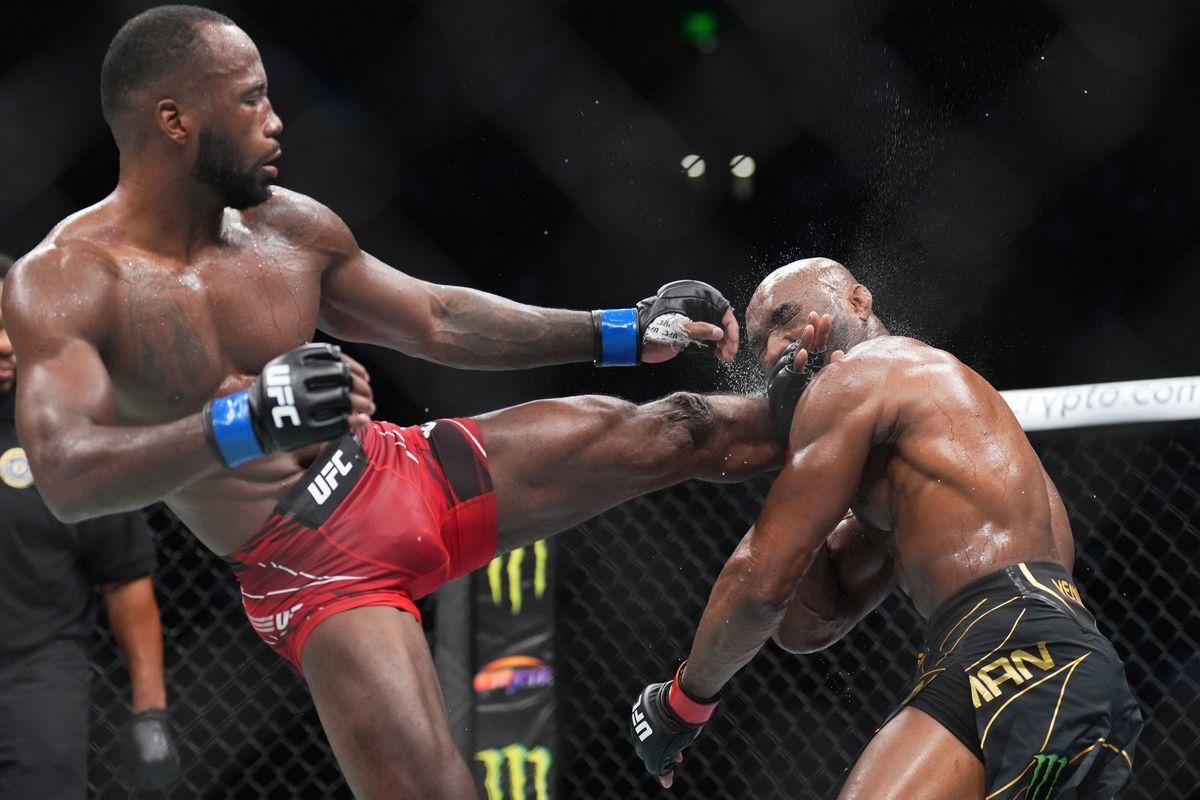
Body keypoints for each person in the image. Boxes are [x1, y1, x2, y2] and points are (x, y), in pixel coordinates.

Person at [2, 8, 782, 799]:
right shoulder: (66, 280)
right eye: (249, 99)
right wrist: (247, 422)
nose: (276, 122)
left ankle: (863, 402)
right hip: (311, 569)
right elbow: (67, 477)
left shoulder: (289, 227)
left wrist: (616, 330)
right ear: (173, 119)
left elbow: (436, 318)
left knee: (681, 428)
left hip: (398, 469)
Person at [630, 258, 1144, 799]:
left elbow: (760, 582)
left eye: (787, 318)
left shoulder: (868, 373)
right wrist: (792, 445)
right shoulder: (919, 467)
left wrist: (682, 703)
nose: (778, 347)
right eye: (760, 345)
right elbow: (807, 624)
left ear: (858, 301)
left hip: (1018, 649)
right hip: (1022, 655)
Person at [0, 254, 180, 798]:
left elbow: (124, 579)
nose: (5, 344)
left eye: (11, 326)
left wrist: (151, 711)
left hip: (35, 672)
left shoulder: (67, 438)